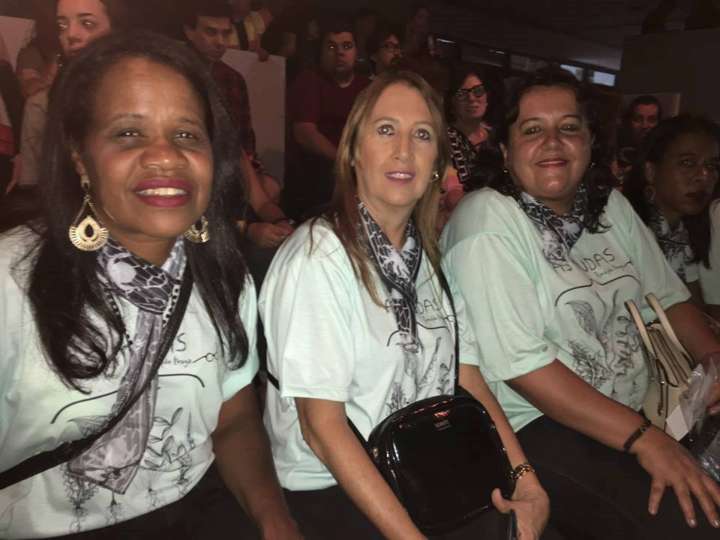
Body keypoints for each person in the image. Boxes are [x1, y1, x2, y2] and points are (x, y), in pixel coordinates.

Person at [0, 30, 300, 539]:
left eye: (187, 135)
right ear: (80, 157)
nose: (166, 156)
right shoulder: (13, 284)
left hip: (198, 513)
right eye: (129, 134)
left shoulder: (224, 277)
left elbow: (232, 419)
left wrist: (275, 520)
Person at [261, 70, 550, 540]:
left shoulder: (427, 258)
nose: (403, 150)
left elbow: (468, 376)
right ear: (353, 150)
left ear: (438, 162)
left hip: (424, 469)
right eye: (384, 129)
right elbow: (322, 429)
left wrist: (527, 481)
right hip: (335, 487)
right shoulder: (318, 257)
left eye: (421, 135)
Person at [441, 67, 720, 539]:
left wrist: (716, 361)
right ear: (506, 152)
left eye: (569, 127)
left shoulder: (609, 206)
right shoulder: (487, 221)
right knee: (694, 524)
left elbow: (669, 298)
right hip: (533, 425)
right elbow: (524, 369)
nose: (553, 141)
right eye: (532, 130)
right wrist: (642, 439)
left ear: (591, 143)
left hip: (637, 411)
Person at [16, 0, 128, 191]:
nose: (71, 34)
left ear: (116, 28)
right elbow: (31, 185)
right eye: (62, 25)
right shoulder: (43, 103)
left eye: (87, 24)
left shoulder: (144, 91)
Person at [624, 115, 720, 310]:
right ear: (650, 171)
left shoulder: (682, 230)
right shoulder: (627, 229)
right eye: (687, 163)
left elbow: (695, 307)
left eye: (712, 166)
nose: (704, 176)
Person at [282, 16, 369, 221]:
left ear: (356, 52)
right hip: (316, 175)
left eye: (346, 46)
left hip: (357, 169)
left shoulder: (367, 88)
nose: (339, 52)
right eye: (331, 46)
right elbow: (305, 133)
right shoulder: (309, 80)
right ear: (321, 52)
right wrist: (345, 161)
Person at [442, 65, 503, 221]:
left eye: (478, 91)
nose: (472, 99)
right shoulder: (443, 139)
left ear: (487, 98)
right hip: (463, 219)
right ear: (452, 102)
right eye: (463, 94)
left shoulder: (497, 137)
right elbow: (452, 195)